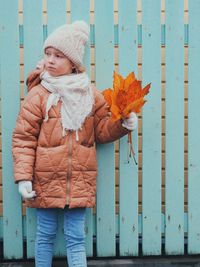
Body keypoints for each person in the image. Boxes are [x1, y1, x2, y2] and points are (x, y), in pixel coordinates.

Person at [12, 20, 138, 267]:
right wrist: (23, 177)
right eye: (48, 54)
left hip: (79, 180)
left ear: (73, 63)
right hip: (45, 179)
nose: (50, 60)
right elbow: (24, 138)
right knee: (45, 235)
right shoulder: (39, 94)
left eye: (58, 55)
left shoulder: (89, 94)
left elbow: (101, 130)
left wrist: (122, 123)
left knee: (76, 238)